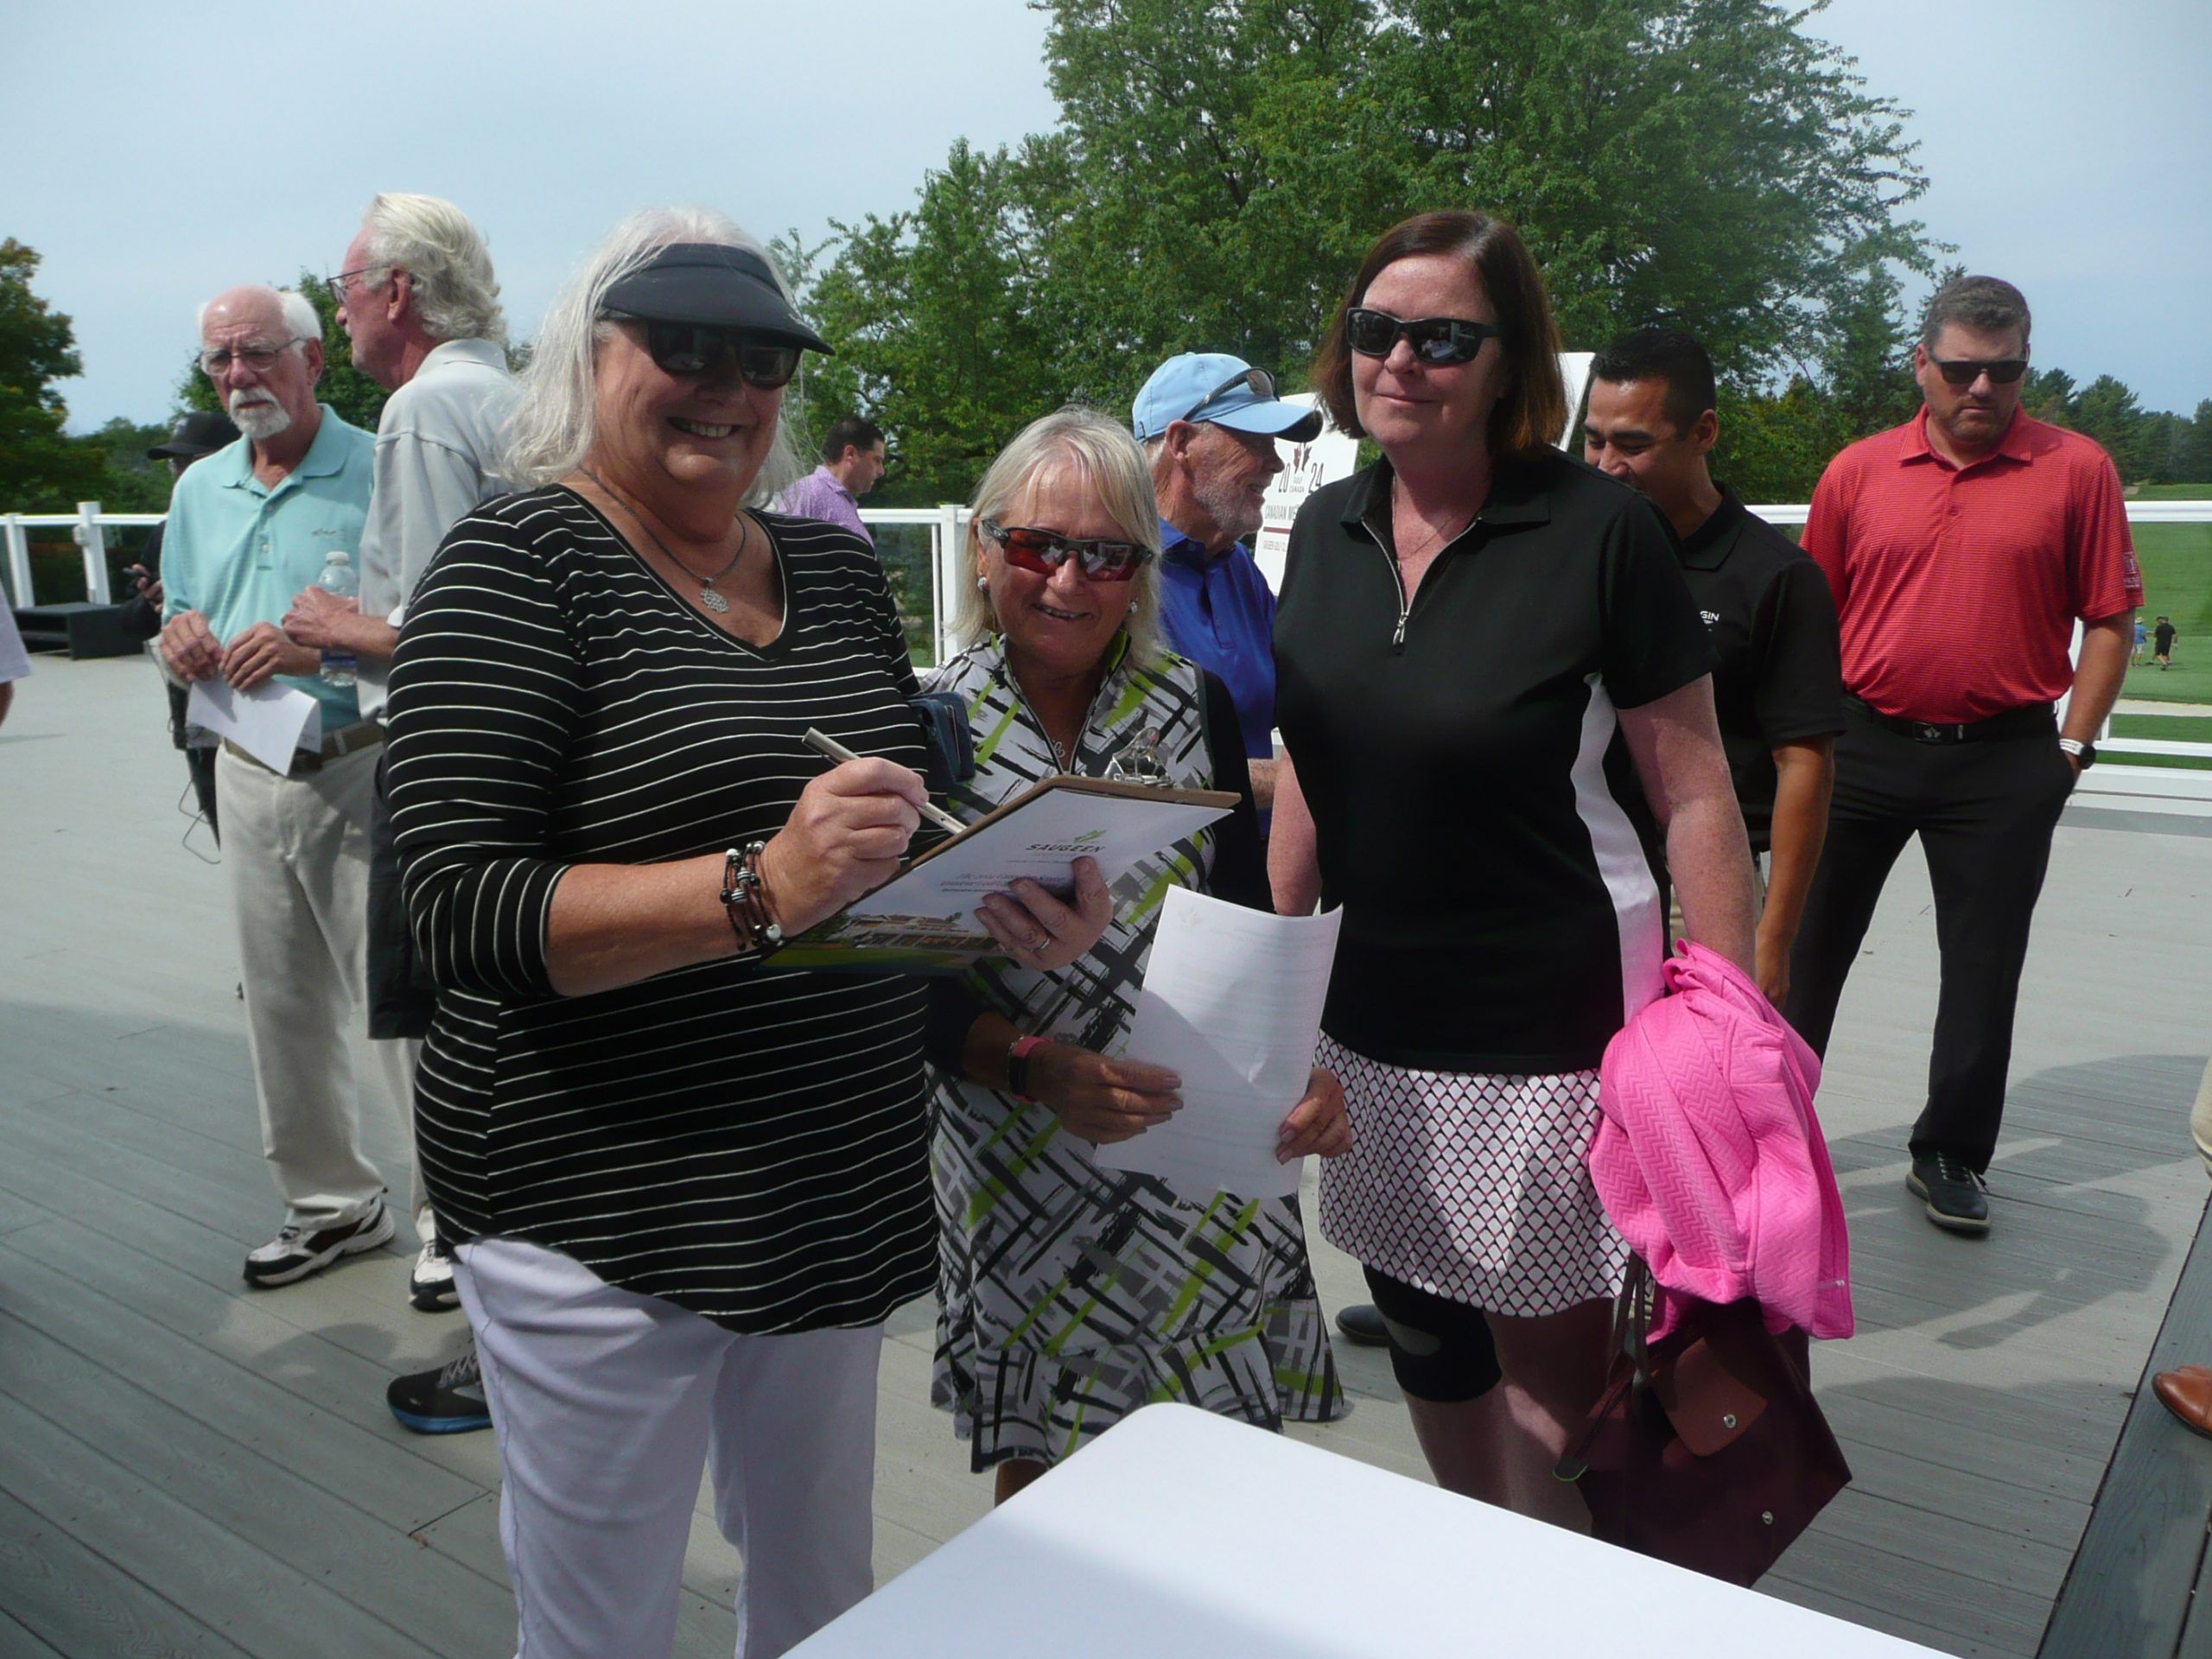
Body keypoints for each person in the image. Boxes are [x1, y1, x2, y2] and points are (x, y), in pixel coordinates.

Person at [382, 209, 1107, 1659]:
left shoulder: (833, 572)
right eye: (685, 347)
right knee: (602, 1624)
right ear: (591, 358)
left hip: (826, 1185)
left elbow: (897, 834)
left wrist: (996, 902)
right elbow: (458, 904)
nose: (729, 385)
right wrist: (756, 884)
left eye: (762, 355)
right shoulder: (512, 562)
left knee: (822, 1596)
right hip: (600, 1201)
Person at [1270, 210, 1756, 1529]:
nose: (1402, 359)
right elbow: (1310, 761)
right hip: (1369, 1024)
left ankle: (1560, 1598)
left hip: (1548, 1031)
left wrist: (1723, 1021)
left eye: (1444, 337)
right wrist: (1279, 981)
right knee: (1428, 1339)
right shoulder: (1324, 529)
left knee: (1555, 1383)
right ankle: (1475, 1572)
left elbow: (1697, 786)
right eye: (1379, 330)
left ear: (1508, 361)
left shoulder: (1599, 530)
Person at [924, 407, 1351, 1506]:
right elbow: (895, 984)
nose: (1069, 580)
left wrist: (1302, 1065)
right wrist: (1030, 1066)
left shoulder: (1190, 705)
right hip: (1023, 1148)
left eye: (1108, 554)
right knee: (1047, 1477)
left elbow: (1247, 908)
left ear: (1139, 569)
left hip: (1198, 1140)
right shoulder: (925, 725)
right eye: (1037, 546)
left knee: (1213, 1473)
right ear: (984, 547)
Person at [1785, 276, 2141, 1236]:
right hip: (1861, 745)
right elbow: (1810, 622)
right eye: (1961, 370)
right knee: (1803, 951)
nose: (1982, 389)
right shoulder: (1856, 471)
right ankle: (1769, 1136)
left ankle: (1948, 1151)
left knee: (1982, 969)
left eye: (2005, 369)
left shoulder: (2077, 470)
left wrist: (2071, 748)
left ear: (2025, 363)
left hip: (2003, 761)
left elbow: (2109, 618)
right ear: (1922, 365)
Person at [278, 190, 518, 1336]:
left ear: (396, 293)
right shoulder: (516, 396)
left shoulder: (428, 411)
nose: (340, 305)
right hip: (532, 770)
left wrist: (338, 625)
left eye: (343, 285)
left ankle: (479, 1288)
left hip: (450, 774)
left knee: (452, 1037)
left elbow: (450, 630)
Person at [156, 284, 414, 1289]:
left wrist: (326, 659)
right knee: (280, 1004)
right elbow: (182, 607)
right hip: (245, 767)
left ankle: (448, 1218)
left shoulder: (383, 468)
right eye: (220, 360)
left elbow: (422, 632)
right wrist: (176, 640)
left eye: (258, 353)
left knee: (400, 1010)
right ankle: (332, 1203)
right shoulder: (198, 489)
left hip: (359, 768)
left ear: (314, 359)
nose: (237, 378)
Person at [1583, 327, 1842, 1005]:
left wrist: (1774, 938)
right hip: (1587, 861)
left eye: (1633, 444)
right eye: (1594, 439)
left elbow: (1804, 763)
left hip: (1700, 882)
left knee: (1701, 1089)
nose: (1607, 464)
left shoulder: (1777, 577)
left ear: (1703, 432)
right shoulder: (1580, 552)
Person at [1132, 352, 1321, 817]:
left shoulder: (1233, 564)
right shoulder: (1115, 572)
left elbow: (1302, 691)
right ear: (1181, 442)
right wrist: (1305, 780)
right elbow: (1129, 772)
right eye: (1255, 441)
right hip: (1162, 875)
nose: (1276, 463)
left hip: (1250, 870)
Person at [118, 410, 242, 836]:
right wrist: (151, 604)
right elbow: (131, 625)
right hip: (197, 709)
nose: (183, 472)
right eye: (177, 463)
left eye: (194, 460)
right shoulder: (167, 530)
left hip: (263, 698)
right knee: (224, 830)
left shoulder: (258, 520)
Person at [772, 415, 886, 543]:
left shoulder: (836, 499)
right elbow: (784, 549)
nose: (881, 471)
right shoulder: (807, 493)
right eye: (877, 460)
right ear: (850, 454)